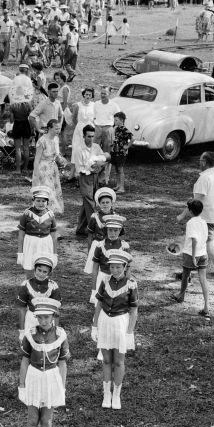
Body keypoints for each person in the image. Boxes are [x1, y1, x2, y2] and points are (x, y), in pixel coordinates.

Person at [18, 297, 69, 427]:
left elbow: (62, 363)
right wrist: (21, 384)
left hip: (51, 378)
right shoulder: (30, 334)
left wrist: (61, 387)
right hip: (34, 376)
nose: (43, 321)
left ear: (53, 316)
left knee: (47, 419)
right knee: (32, 419)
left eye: (47, 317)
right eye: (40, 318)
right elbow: (24, 361)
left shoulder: (61, 334)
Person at [177, 152, 214, 295]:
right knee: (191, 244)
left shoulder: (204, 178)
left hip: (204, 220)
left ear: (204, 162)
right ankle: (187, 273)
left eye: (200, 159)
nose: (199, 162)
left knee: (210, 251)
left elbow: (195, 202)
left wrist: (183, 215)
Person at [93, 249, 137, 410]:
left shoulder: (131, 284)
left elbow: (133, 311)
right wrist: (94, 325)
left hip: (120, 323)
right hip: (105, 321)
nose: (115, 270)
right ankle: (106, 393)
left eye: (118, 267)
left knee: (118, 361)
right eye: (112, 267)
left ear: (124, 267)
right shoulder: (104, 281)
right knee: (106, 360)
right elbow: (98, 304)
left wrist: (129, 333)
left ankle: (116, 394)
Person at [174, 199, 210, 315]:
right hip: (203, 253)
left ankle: (181, 295)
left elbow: (194, 240)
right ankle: (206, 307)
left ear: (190, 210)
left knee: (185, 275)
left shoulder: (190, 223)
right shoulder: (203, 222)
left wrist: (194, 257)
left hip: (191, 254)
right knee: (203, 279)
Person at [73, 125, 110, 237]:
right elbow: (79, 168)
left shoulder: (96, 147)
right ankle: (95, 229)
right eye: (88, 136)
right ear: (84, 136)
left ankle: (81, 228)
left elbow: (104, 159)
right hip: (85, 177)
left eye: (92, 136)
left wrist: (99, 165)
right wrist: (91, 167)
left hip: (95, 178)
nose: (91, 138)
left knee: (87, 203)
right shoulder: (79, 149)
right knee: (90, 203)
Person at [17, 186, 58, 275]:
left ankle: (43, 286)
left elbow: (54, 236)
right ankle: (29, 285)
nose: (41, 203)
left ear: (47, 202)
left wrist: (55, 254)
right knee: (29, 267)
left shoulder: (50, 215)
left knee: (44, 266)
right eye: (38, 201)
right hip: (31, 243)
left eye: (43, 201)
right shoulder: (27, 214)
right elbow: (21, 235)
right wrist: (20, 253)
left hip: (45, 244)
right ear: (33, 201)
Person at [31, 119, 68, 215]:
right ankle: (44, 209)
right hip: (43, 168)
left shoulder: (56, 139)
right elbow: (36, 159)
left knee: (53, 188)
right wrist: (36, 173)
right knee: (46, 189)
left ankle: (51, 210)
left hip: (52, 167)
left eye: (59, 128)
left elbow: (57, 154)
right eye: (56, 129)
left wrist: (61, 160)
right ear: (49, 128)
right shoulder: (42, 141)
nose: (58, 131)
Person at [92, 87, 121, 185]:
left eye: (105, 93)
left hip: (108, 128)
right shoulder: (96, 104)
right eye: (102, 93)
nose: (102, 95)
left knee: (107, 154)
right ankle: (93, 175)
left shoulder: (114, 105)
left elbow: (119, 118)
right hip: (97, 128)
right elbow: (93, 116)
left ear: (109, 94)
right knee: (94, 151)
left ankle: (104, 179)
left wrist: (114, 129)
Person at [68, 87, 97, 159]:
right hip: (80, 127)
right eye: (86, 94)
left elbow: (96, 117)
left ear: (92, 96)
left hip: (90, 128)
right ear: (84, 95)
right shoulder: (78, 105)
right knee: (78, 146)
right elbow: (74, 118)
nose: (87, 96)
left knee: (88, 146)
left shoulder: (94, 105)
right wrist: (79, 125)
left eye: (89, 95)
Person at [110, 112, 133, 194]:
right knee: (116, 169)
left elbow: (132, 138)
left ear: (122, 120)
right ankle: (118, 185)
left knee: (120, 169)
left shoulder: (124, 129)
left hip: (121, 152)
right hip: (115, 151)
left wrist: (127, 146)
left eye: (116, 120)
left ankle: (122, 187)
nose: (114, 122)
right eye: (114, 120)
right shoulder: (116, 128)